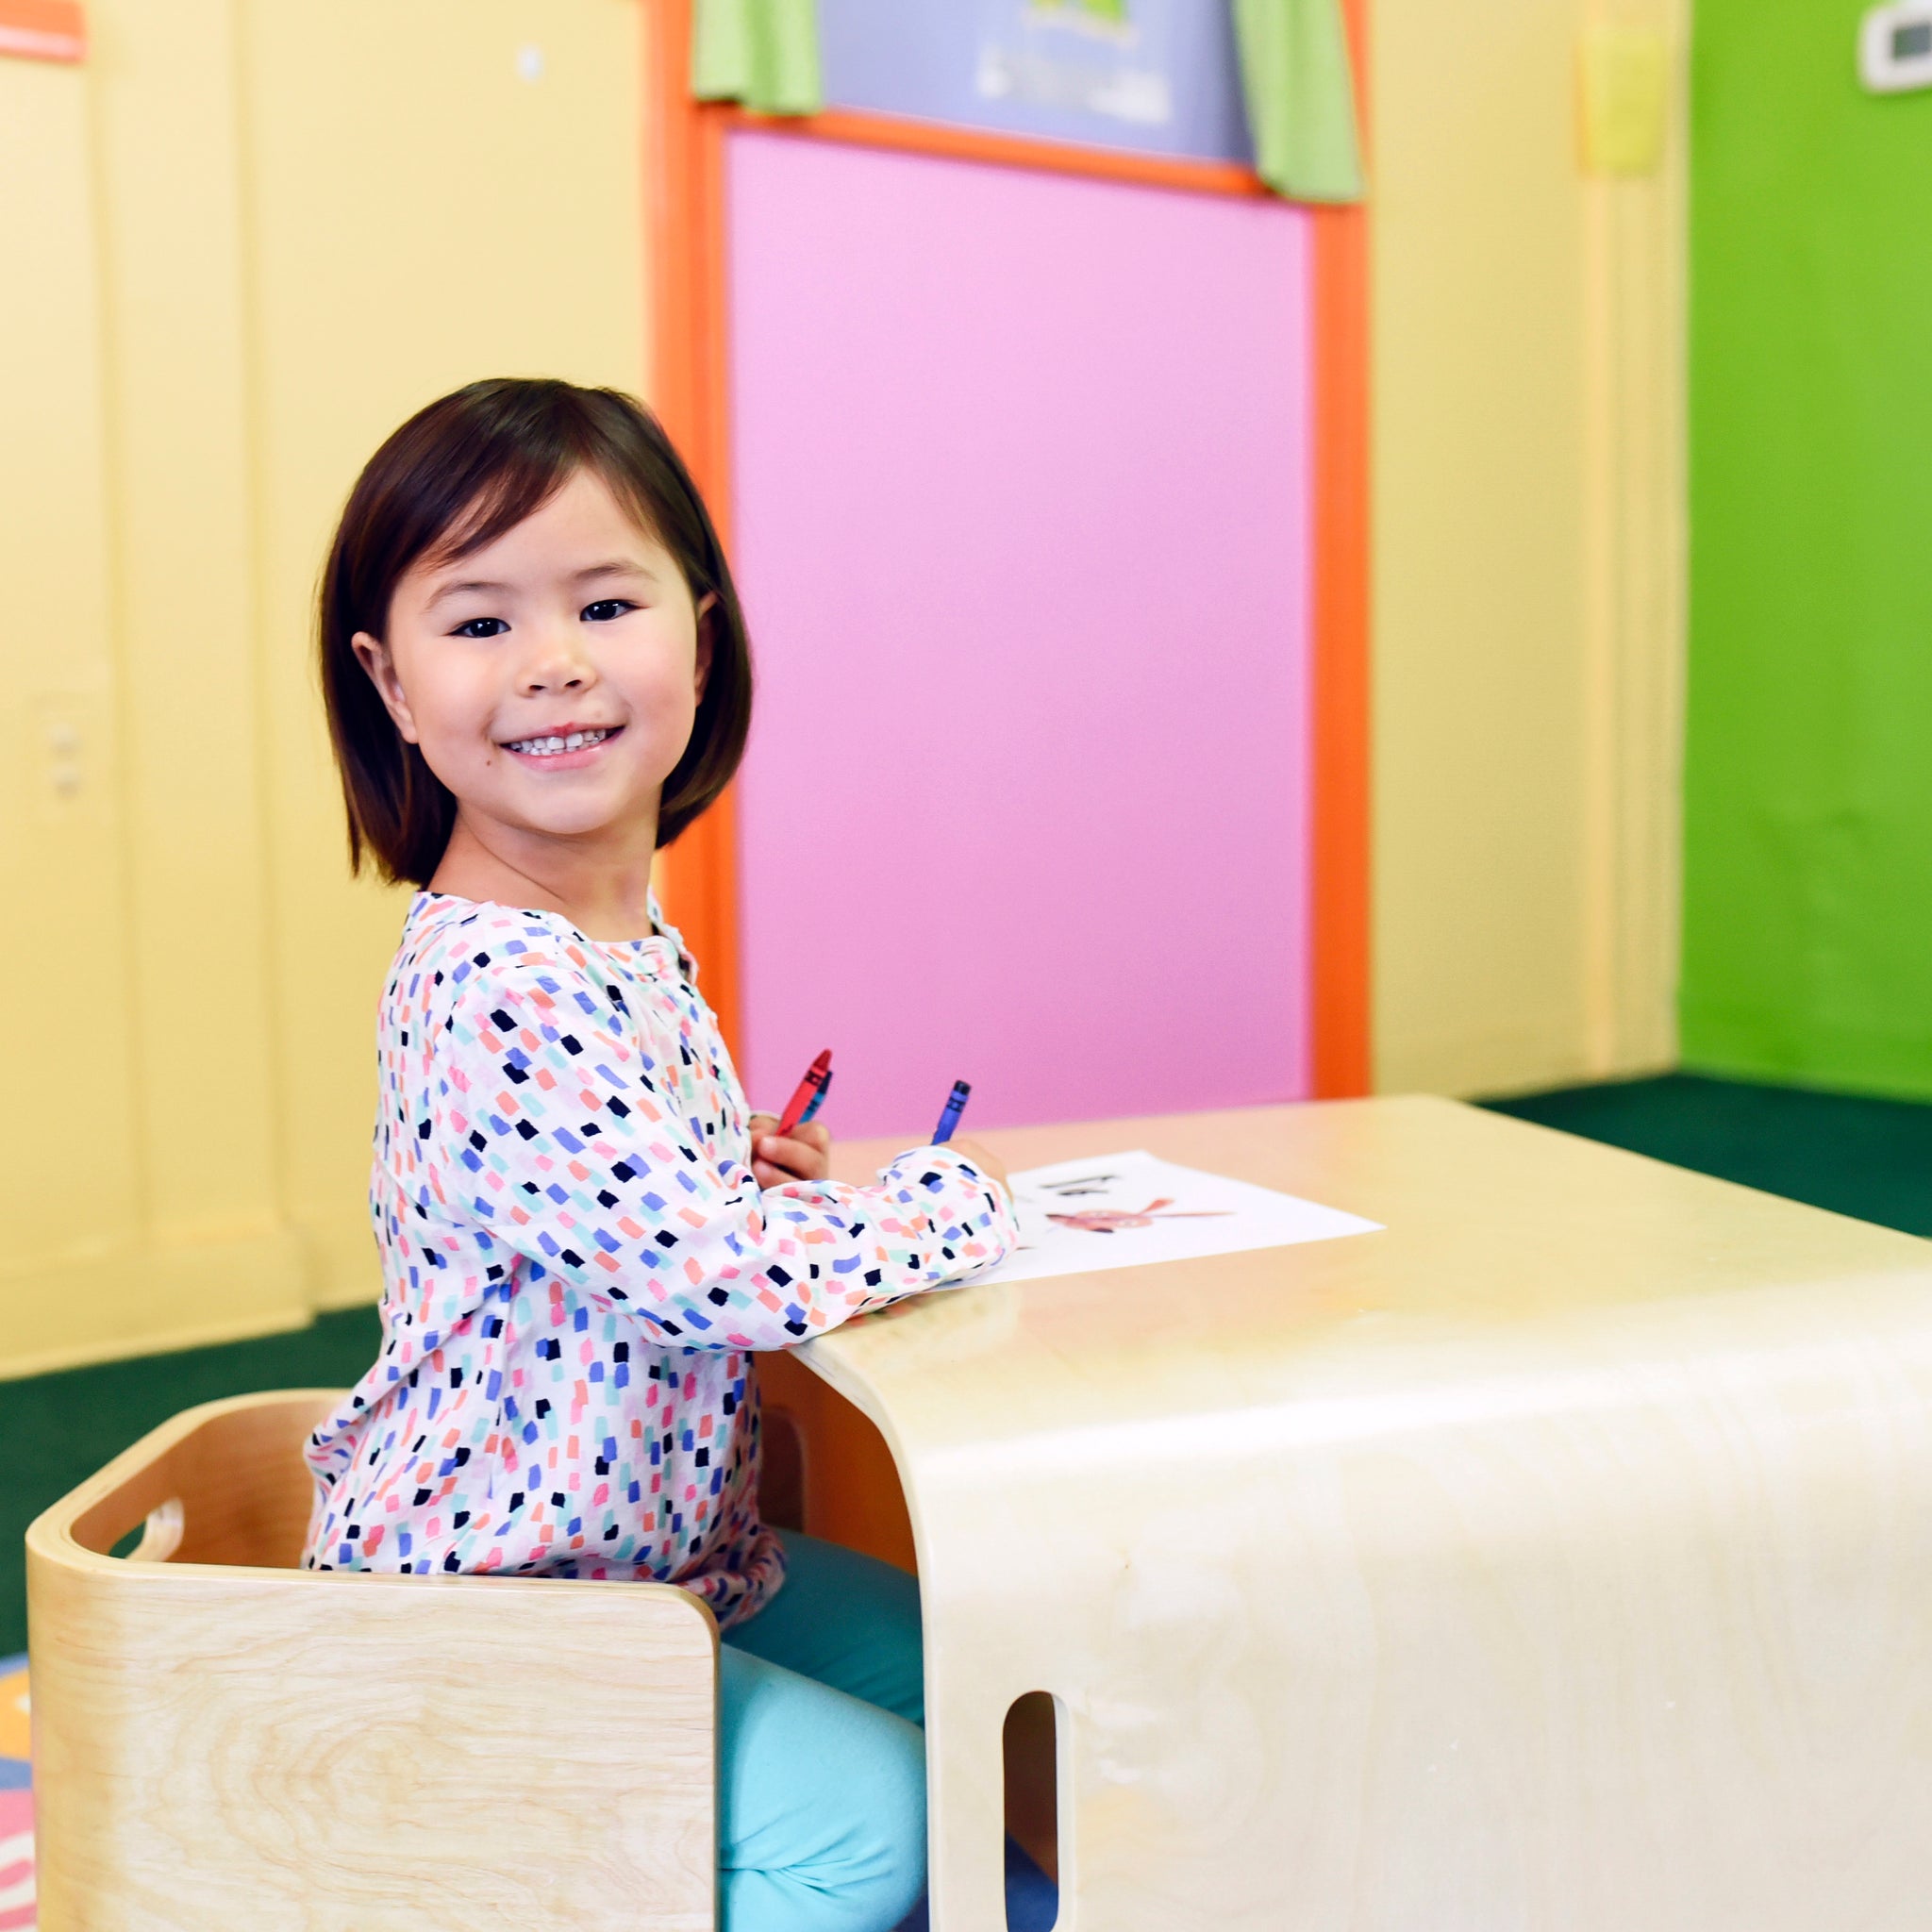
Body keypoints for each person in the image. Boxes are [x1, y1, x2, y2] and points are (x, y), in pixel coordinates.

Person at [302, 376, 1015, 1932]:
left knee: (986, 1669)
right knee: (872, 1831)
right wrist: (938, 1211)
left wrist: (713, 1160)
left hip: (675, 1558)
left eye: (605, 604)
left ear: (698, 632)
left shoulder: (612, 942)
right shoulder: (501, 976)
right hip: (504, 1613)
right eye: (479, 624)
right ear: (391, 686)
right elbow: (706, 1278)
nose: (554, 663)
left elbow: (628, 1209)